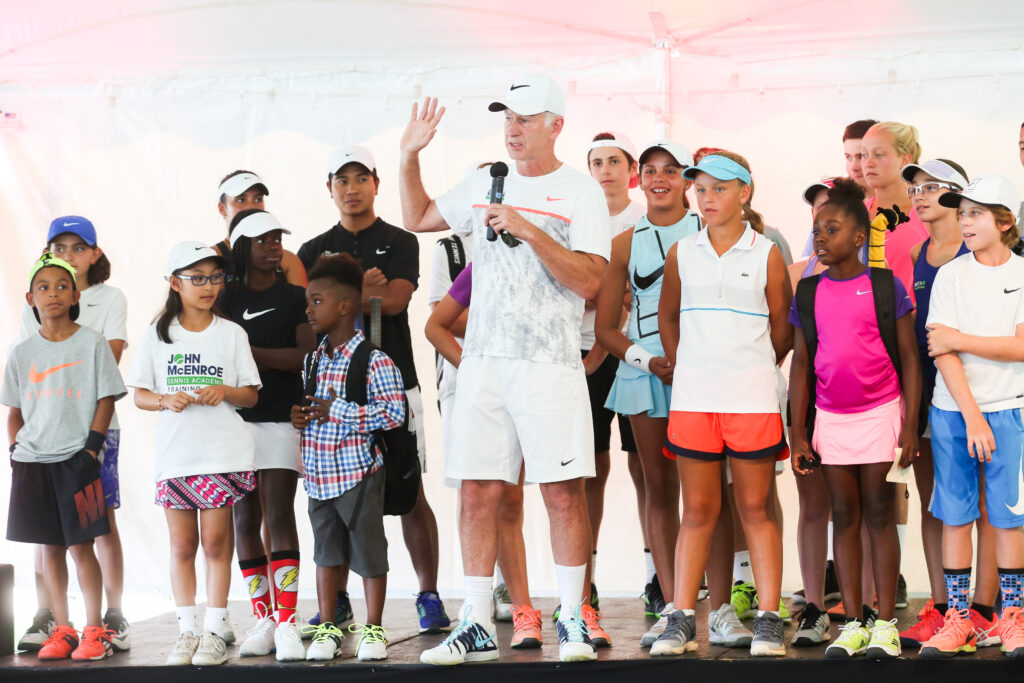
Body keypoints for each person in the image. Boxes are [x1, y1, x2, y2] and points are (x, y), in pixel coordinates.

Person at [399, 75, 611, 664]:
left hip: (549, 364)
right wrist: (409, 154)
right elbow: (417, 215)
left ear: (556, 125)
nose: (513, 129)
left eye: (525, 118)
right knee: (477, 491)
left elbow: (591, 281)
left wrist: (528, 229)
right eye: (507, 118)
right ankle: (473, 621)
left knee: (563, 494)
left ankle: (572, 618)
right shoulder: (483, 181)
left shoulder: (581, 192)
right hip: (484, 365)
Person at [297, 145, 450, 634]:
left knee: (409, 491)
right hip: (331, 390)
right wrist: (364, 291)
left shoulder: (400, 239)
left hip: (393, 382)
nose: (352, 188)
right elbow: (313, 312)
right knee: (335, 496)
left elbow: (398, 300)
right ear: (329, 188)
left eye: (361, 178)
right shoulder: (311, 249)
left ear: (377, 184)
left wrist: (349, 295)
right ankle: (339, 603)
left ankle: (428, 594)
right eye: (342, 180)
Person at [652, 151, 792, 657]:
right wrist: (687, 364)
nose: (707, 198)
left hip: (752, 400)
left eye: (719, 188)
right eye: (701, 189)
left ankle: (769, 619)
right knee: (697, 510)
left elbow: (782, 329)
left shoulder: (766, 253)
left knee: (755, 507)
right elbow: (668, 316)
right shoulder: (682, 252)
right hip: (694, 402)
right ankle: (681, 619)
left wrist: (750, 367)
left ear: (744, 193)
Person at [789, 178, 921, 659]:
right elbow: (801, 366)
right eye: (817, 230)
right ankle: (854, 622)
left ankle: (884, 622)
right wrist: (798, 433)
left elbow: (910, 360)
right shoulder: (808, 292)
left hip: (881, 414)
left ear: (859, 237)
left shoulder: (885, 286)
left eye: (832, 229)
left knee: (879, 514)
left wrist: (910, 426)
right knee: (843, 517)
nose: (821, 238)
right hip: (832, 419)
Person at [125, 242, 260, 666]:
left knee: (216, 544)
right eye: (197, 278)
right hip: (177, 457)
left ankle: (214, 630)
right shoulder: (156, 335)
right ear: (174, 283)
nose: (208, 286)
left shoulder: (231, 333)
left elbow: (251, 395)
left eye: (215, 277)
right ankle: (187, 632)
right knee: (182, 545)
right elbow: (140, 395)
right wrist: (165, 400)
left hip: (221, 454)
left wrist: (225, 391)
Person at [595, 140, 698, 648]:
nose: (660, 179)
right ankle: (674, 605)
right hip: (646, 376)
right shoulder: (623, 243)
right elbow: (606, 329)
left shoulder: (709, 231)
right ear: (640, 178)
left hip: (705, 374)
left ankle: (717, 603)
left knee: (709, 493)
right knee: (660, 490)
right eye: (652, 170)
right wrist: (648, 362)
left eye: (671, 170)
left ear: (687, 179)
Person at [918, 175, 1024, 658]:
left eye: (976, 213)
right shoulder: (951, 275)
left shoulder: (1021, 273)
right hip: (953, 413)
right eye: (962, 213)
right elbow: (940, 351)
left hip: (1011, 410)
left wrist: (960, 338)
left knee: (1008, 519)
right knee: (957, 517)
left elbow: (1020, 347)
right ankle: (958, 619)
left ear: (1004, 221)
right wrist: (973, 417)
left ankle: (1011, 618)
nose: (965, 222)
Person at [15, 217, 132, 654]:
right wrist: (17, 448)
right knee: (48, 540)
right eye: (58, 246)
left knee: (91, 534)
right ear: (32, 296)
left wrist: (91, 447)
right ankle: (56, 623)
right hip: (39, 454)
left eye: (77, 247)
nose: (54, 293)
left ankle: (102, 621)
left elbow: (107, 382)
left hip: (87, 449)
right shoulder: (25, 341)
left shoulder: (102, 318)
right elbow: (20, 399)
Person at [898, 159, 999, 648]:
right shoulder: (918, 251)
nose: (919, 195)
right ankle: (943, 607)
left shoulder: (976, 249)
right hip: (928, 391)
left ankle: (983, 608)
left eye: (931, 187)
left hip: (979, 392)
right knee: (936, 504)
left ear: (959, 196)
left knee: (986, 504)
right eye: (915, 188)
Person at [290, 254, 404, 662]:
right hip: (319, 476)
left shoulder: (374, 360)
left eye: (317, 301)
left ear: (345, 306)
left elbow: (394, 414)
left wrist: (337, 409)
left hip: (358, 473)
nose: (309, 309)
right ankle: (327, 627)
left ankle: (373, 628)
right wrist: (300, 417)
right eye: (308, 301)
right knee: (326, 554)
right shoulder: (313, 360)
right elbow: (314, 408)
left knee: (369, 554)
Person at [425, 262, 544, 650]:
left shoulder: (546, 259)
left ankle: (524, 610)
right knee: (477, 497)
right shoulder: (479, 267)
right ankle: (478, 612)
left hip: (531, 389)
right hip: (481, 396)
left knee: (513, 500)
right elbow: (435, 325)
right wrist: (472, 369)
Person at [218, 210, 315, 660]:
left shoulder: (296, 296)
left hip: (280, 417)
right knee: (243, 519)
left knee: (278, 513)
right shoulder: (224, 297)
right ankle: (264, 619)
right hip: (232, 421)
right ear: (242, 247)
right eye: (263, 239)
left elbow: (303, 358)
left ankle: (287, 621)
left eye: (277, 237)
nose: (274, 245)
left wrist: (247, 352)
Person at [582, 132, 643, 624]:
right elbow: (580, 286)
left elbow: (633, 296)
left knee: (648, 469)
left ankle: (657, 577)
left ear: (631, 170)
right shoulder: (580, 218)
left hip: (639, 355)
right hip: (585, 354)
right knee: (590, 470)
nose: (605, 170)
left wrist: (608, 296)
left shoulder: (645, 221)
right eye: (597, 162)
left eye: (613, 161)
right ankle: (585, 581)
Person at [787, 182, 841, 648]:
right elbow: (794, 356)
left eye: (831, 213)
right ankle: (814, 607)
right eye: (816, 213)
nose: (821, 221)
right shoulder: (798, 276)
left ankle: (866, 608)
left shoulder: (877, 276)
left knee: (859, 510)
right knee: (813, 507)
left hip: (864, 408)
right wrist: (795, 425)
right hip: (811, 404)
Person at [213, 171, 307, 286]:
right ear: (222, 209)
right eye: (241, 200)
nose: (251, 207)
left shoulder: (288, 261)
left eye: (258, 199)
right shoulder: (211, 259)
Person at [801, 120, 878, 259]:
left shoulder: (897, 210)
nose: (853, 166)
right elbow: (806, 265)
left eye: (861, 156)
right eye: (848, 157)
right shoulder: (831, 205)